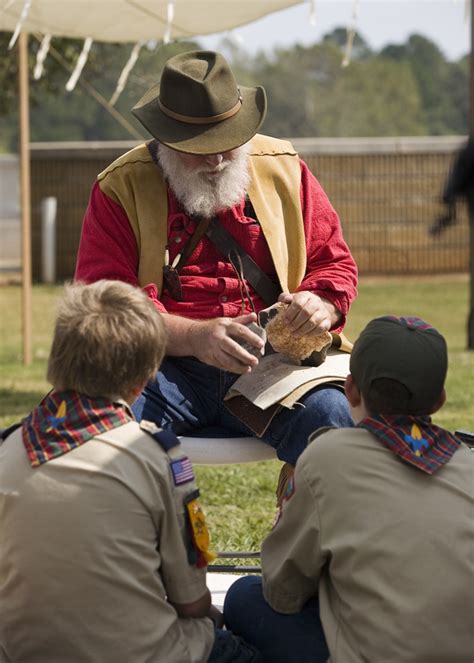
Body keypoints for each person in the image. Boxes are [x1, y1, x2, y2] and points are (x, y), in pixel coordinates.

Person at [75, 49, 358, 489]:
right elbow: (106, 313)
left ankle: (319, 550)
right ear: (165, 139)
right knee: (100, 424)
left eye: (228, 141)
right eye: (199, 150)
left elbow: (333, 265)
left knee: (335, 422)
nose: (217, 160)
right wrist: (195, 337)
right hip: (163, 367)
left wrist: (318, 303)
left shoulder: (284, 168)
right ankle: (134, 548)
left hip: (275, 366)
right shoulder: (120, 186)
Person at [0, 280, 261, 663]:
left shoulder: (8, 447)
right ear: (144, 381)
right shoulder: (158, 455)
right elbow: (190, 602)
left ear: (56, 361)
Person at [223, 315, 474, 663]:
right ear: (440, 400)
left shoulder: (326, 458)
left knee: (243, 596)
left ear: (350, 388)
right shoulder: (468, 465)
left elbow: (282, 592)